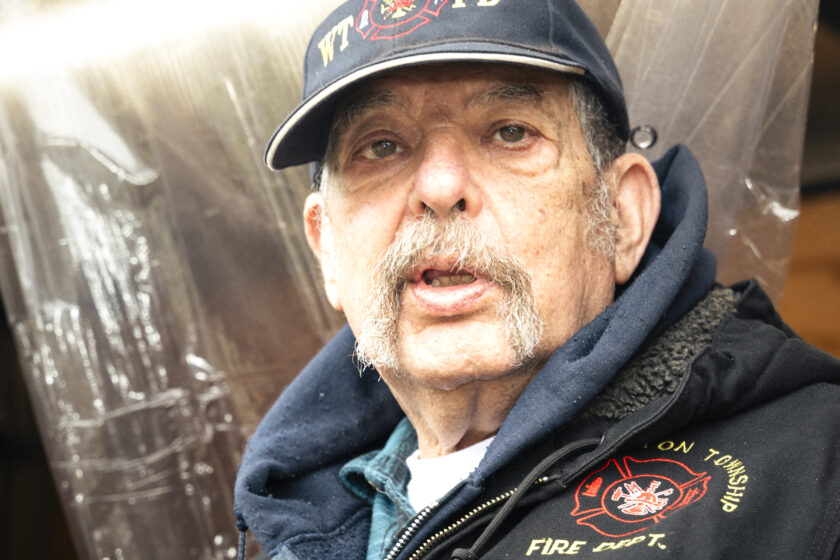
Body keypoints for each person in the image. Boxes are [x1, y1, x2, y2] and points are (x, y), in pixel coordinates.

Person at [234, 1, 840, 558]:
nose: (441, 188)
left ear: (623, 218)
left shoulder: (817, 468)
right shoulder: (295, 523)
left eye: (510, 132)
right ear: (327, 249)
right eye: (382, 145)